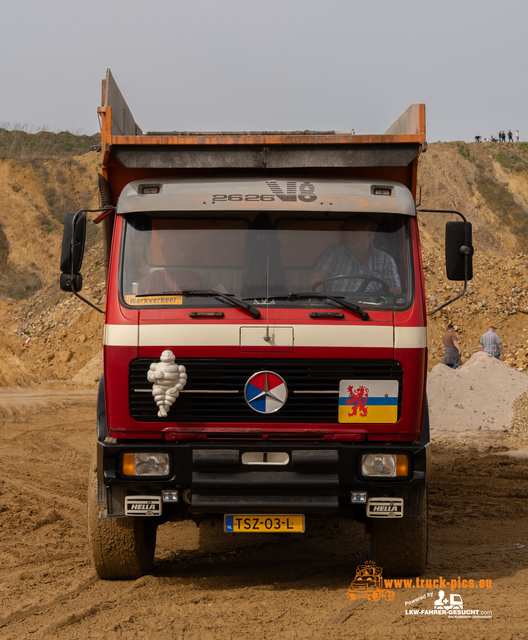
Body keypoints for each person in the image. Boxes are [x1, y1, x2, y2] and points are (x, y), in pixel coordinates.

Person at [310, 215, 401, 294]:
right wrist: (320, 300)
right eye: (348, 231)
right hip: (338, 307)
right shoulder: (336, 251)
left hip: (372, 310)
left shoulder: (386, 260)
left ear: (369, 235)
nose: (349, 235)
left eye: (354, 231)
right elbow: (317, 276)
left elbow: (395, 290)